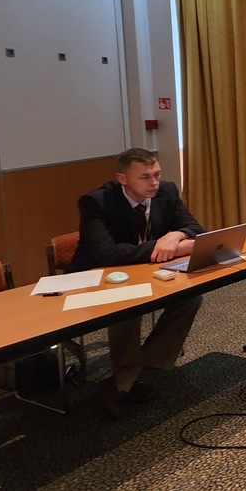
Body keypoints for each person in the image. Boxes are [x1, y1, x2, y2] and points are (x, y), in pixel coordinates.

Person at [70, 148, 205, 417]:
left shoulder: (167, 191)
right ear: (122, 178)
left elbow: (195, 229)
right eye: (145, 177)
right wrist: (170, 248)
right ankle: (123, 383)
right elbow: (108, 254)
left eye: (156, 175)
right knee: (128, 307)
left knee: (191, 296)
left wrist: (174, 236)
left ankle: (140, 368)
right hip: (97, 275)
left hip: (142, 270)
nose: (154, 182)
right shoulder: (96, 202)